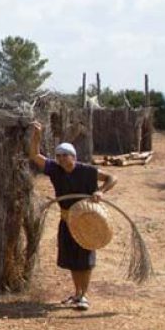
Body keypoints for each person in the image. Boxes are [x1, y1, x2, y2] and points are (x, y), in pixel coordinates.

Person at [26, 122, 117, 311]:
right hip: (67, 220)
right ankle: (77, 293)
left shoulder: (87, 171)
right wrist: (37, 136)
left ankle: (84, 295)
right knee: (73, 260)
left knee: (85, 259)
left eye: (64, 155)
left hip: (87, 220)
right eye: (58, 156)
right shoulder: (55, 170)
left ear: (73, 156)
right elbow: (35, 155)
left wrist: (101, 192)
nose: (60, 159)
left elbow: (112, 178)